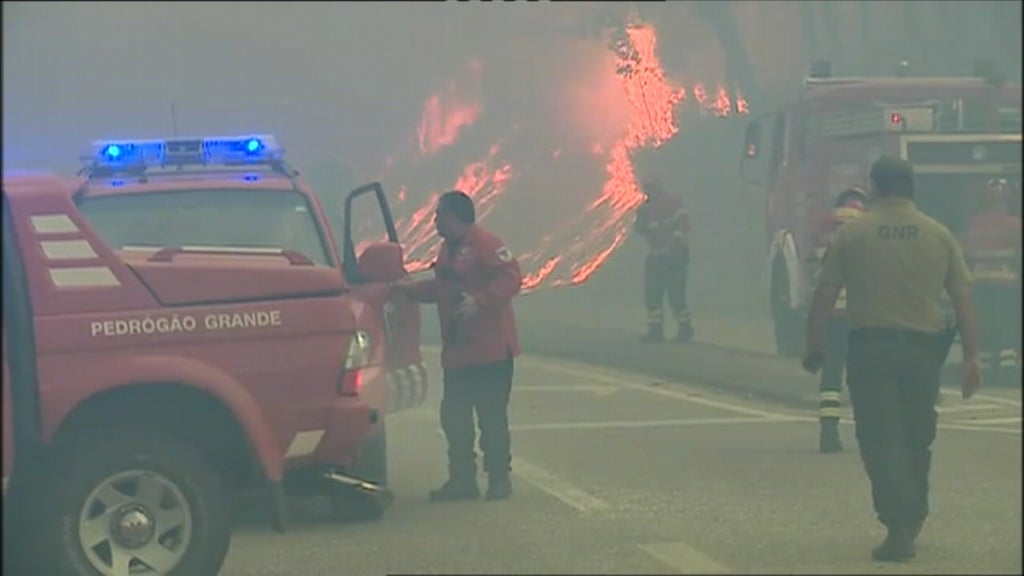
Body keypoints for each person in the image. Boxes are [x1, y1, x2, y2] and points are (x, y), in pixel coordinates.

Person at [803, 156, 982, 562]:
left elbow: (826, 293)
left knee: (881, 439)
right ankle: (912, 513)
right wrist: (972, 355)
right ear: (911, 186)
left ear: (876, 187)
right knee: (917, 435)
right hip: (923, 353)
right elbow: (963, 297)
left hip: (870, 351)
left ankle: (898, 523)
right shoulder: (938, 235)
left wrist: (814, 343)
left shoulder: (854, 235)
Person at [390, 191, 522, 502]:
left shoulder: (487, 245)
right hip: (460, 353)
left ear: (455, 216)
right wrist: (407, 291)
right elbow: (441, 289)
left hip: (490, 350)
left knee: (491, 417)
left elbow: (511, 278)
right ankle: (462, 479)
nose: (434, 220)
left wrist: (481, 301)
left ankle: (499, 480)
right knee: (455, 417)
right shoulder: (448, 251)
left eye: (439, 215)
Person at [812, 187, 868, 453]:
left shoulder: (825, 224)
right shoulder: (868, 224)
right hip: (861, 312)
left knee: (832, 374)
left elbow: (816, 269)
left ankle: (828, 432)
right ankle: (868, 432)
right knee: (865, 375)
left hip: (832, 311)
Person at [964, 177, 1022, 387]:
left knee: (984, 326)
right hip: (1007, 285)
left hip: (979, 283)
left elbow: (968, 254)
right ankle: (1006, 369)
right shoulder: (1014, 224)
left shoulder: (975, 222)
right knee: (1007, 326)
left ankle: (985, 366)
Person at [633, 180, 693, 343]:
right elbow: (639, 228)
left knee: (676, 294)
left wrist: (674, 245)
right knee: (652, 294)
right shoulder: (645, 208)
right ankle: (655, 330)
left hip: (675, 256)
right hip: (657, 255)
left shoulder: (672, 202)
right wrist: (641, 218)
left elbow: (683, 224)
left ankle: (685, 329)